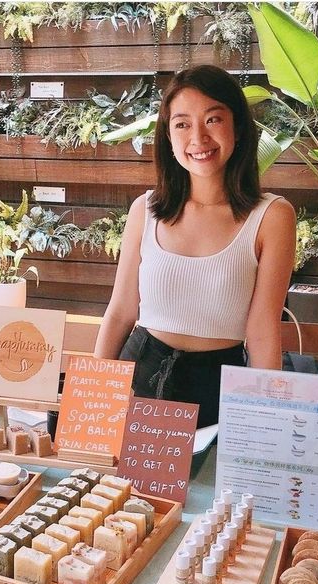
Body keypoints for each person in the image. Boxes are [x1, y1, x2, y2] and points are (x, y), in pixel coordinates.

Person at [94, 64, 296, 428]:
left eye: (213, 119)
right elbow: (121, 312)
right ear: (168, 137)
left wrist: (269, 424)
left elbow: (264, 329)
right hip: (140, 375)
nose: (198, 138)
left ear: (237, 127)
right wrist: (93, 397)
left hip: (220, 387)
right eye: (182, 124)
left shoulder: (272, 216)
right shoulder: (145, 210)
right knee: (126, 487)